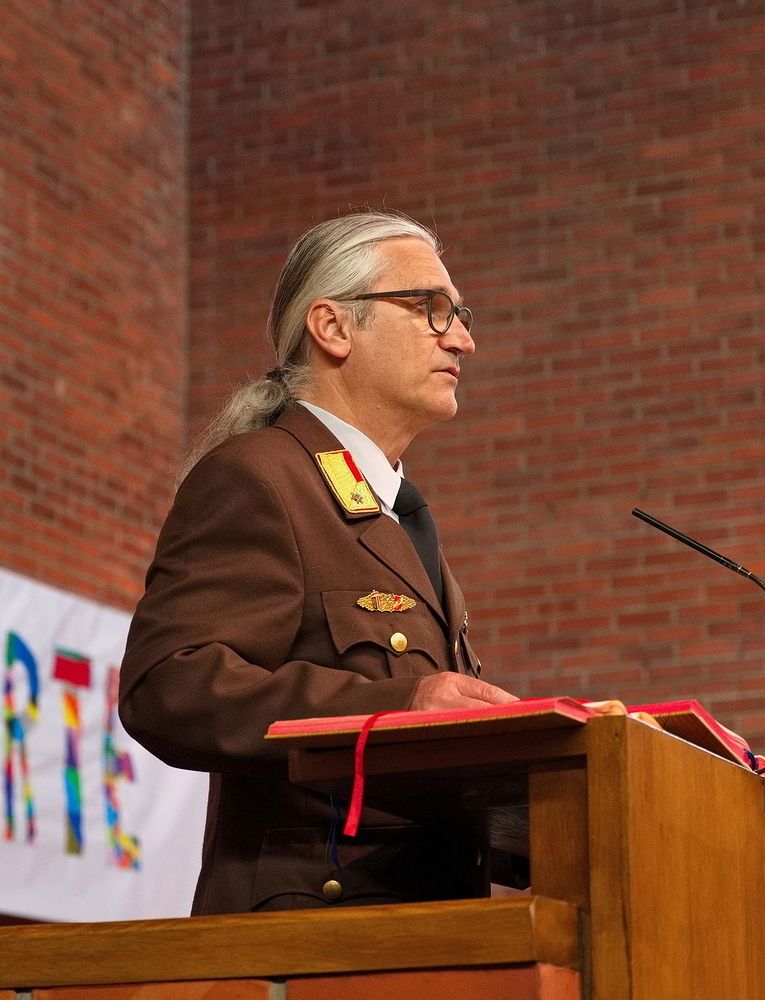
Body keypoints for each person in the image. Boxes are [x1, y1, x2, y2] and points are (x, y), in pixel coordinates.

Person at [119, 211, 520, 915]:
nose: (462, 337)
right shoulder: (261, 476)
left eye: (458, 314)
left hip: (428, 927)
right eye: (429, 308)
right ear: (333, 327)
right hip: (313, 926)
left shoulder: (396, 514)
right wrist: (398, 708)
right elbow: (168, 686)